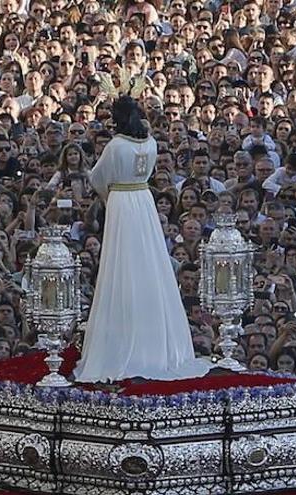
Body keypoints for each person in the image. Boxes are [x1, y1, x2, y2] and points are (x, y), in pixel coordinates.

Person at [72, 96, 210, 383]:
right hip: (143, 201)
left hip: (122, 201)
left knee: (122, 265)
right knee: (149, 263)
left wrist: (108, 196)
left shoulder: (115, 145)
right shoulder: (150, 143)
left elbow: (98, 178)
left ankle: (120, 348)